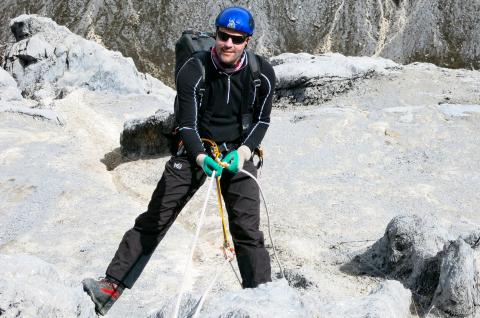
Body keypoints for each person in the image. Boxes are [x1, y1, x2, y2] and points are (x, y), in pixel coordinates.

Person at [82, 6, 276, 316]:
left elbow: (262, 120)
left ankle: (265, 301)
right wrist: (200, 156)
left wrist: (243, 153)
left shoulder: (262, 73)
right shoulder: (194, 70)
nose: (228, 44)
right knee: (156, 217)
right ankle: (110, 287)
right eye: (223, 36)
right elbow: (186, 124)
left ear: (247, 41)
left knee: (247, 231)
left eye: (236, 39)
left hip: (236, 152)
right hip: (195, 150)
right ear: (216, 34)